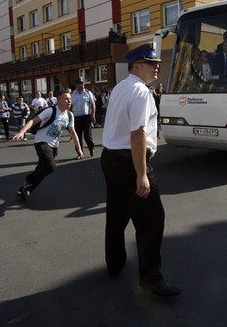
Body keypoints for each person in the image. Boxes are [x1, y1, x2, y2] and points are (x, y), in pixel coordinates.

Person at [101, 43, 181, 297]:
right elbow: (138, 133)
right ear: (137, 66)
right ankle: (151, 279)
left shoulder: (120, 88)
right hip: (130, 161)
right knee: (151, 221)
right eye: (151, 62)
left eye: (157, 62)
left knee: (116, 215)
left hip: (110, 158)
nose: (157, 67)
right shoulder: (140, 92)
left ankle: (114, 264)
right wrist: (142, 174)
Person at [12, 89, 83, 201]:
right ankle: (29, 178)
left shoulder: (69, 115)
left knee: (43, 170)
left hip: (54, 146)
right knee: (51, 166)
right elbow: (33, 121)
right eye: (66, 99)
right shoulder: (51, 111)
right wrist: (22, 132)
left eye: (70, 99)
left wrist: (79, 149)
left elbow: (73, 133)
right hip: (41, 142)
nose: (69, 101)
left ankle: (24, 190)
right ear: (58, 100)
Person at [71, 78, 96, 158]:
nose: (82, 85)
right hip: (76, 118)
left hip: (86, 117)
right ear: (76, 85)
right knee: (78, 136)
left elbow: (93, 105)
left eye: (82, 83)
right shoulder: (72, 94)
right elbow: (69, 106)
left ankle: (91, 148)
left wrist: (93, 115)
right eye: (80, 83)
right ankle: (80, 153)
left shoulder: (88, 93)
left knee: (87, 136)